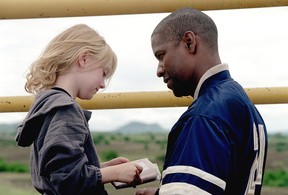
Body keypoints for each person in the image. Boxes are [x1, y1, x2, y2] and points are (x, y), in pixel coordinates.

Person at [135, 7, 268, 195]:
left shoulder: (204, 116)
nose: (159, 70)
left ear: (189, 43)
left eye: (161, 56)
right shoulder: (239, 100)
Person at [15, 24, 143, 195]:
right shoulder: (66, 110)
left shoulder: (47, 105)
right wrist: (114, 173)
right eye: (103, 73)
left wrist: (101, 169)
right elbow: (66, 179)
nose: (103, 84)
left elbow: (57, 172)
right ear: (83, 59)